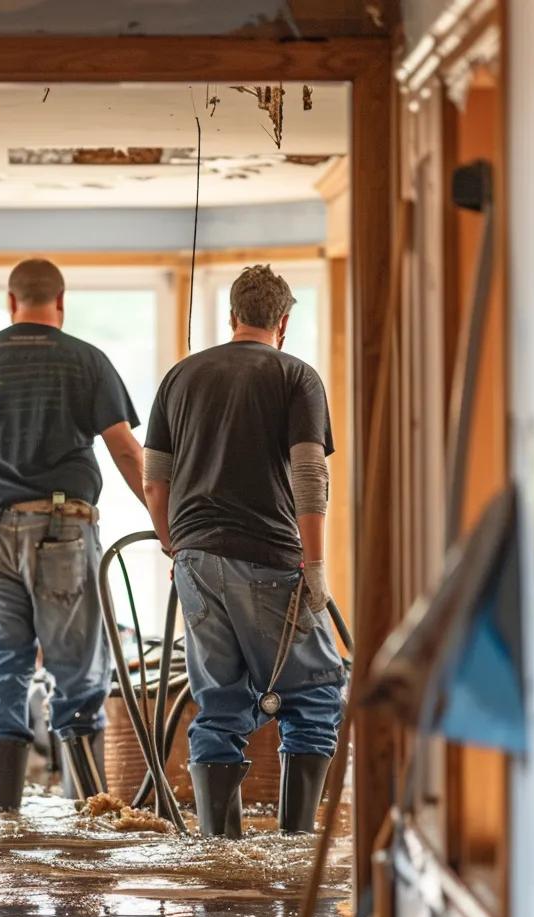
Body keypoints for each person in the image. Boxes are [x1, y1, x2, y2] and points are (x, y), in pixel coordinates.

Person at [143, 263, 345, 838]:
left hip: (194, 560)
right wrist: (315, 565)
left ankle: (218, 852)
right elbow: (309, 470)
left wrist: (172, 543)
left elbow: (155, 479)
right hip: (268, 557)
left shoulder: (179, 377)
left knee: (220, 704)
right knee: (315, 697)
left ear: (232, 315)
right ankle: (295, 849)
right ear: (283, 322)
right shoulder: (296, 376)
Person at [0, 257, 145, 814]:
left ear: (11, 302)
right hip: (60, 530)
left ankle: (2, 819)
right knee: (77, 672)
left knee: (5, 662)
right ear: (61, 301)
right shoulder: (85, 359)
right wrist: (167, 520)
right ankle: (87, 822)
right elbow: (125, 449)